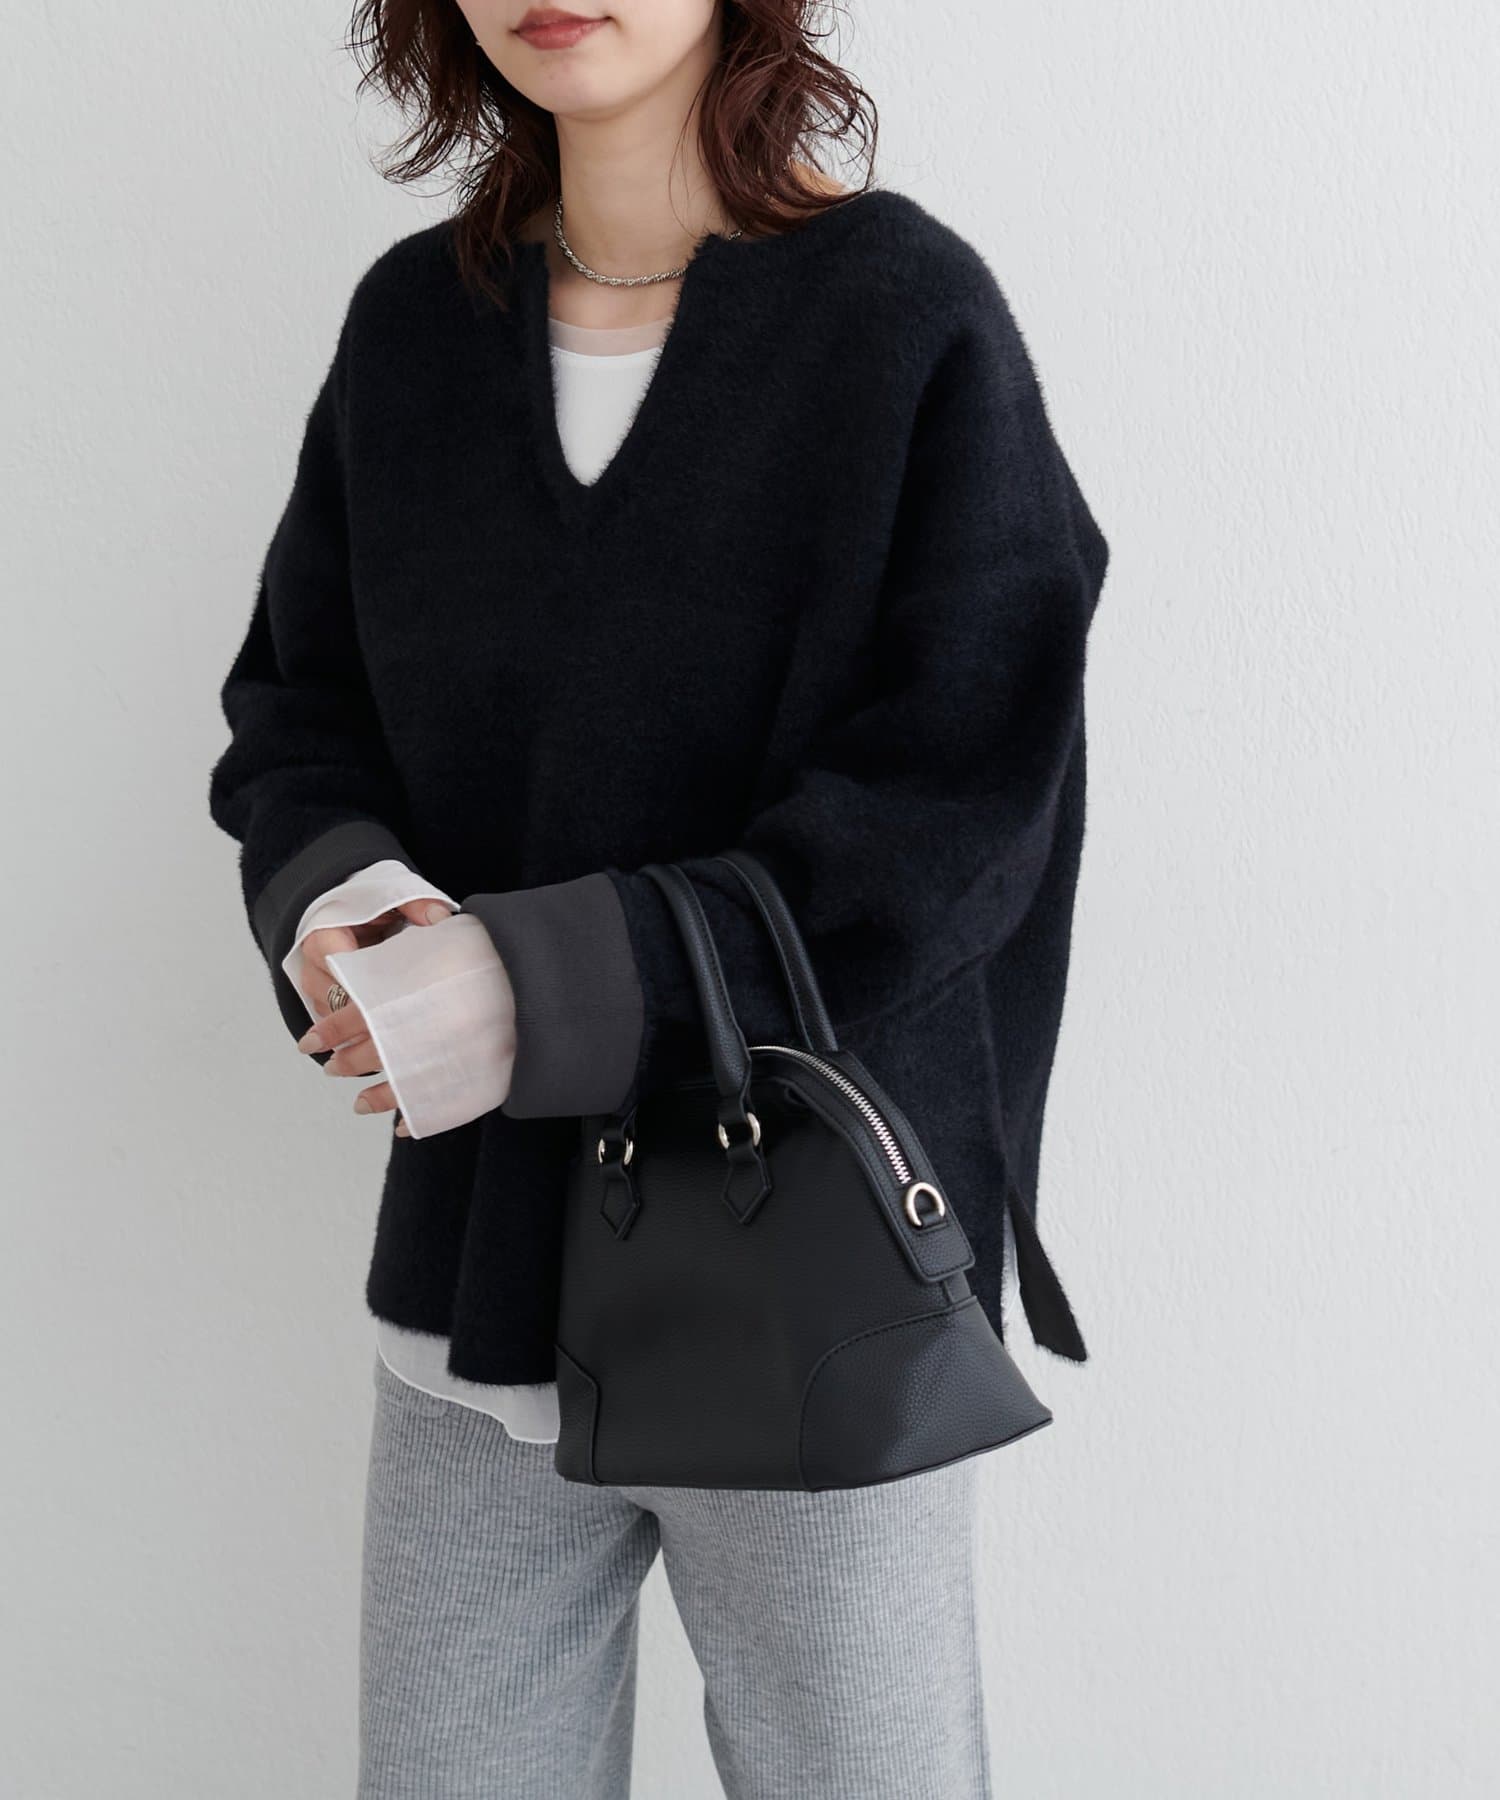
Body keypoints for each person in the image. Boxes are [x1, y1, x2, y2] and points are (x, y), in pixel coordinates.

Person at [208, 2, 1110, 1793]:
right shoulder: (412, 330)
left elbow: (963, 804)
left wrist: (545, 984)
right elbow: (300, 715)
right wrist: (348, 910)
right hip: (472, 1281)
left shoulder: (904, 319)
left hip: (814, 1291)